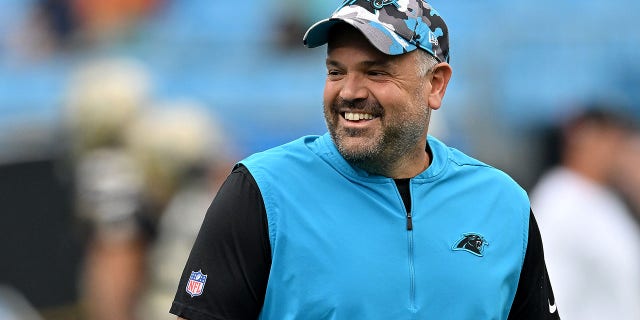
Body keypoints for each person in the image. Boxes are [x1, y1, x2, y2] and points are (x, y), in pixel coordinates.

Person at [170, 1, 559, 319]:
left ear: (435, 84)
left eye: (376, 72)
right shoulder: (262, 190)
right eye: (336, 71)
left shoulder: (502, 203)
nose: (350, 92)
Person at [531, 107, 640, 320]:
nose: (618, 152)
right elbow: (547, 286)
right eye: (612, 141)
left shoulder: (606, 198)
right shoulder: (558, 199)